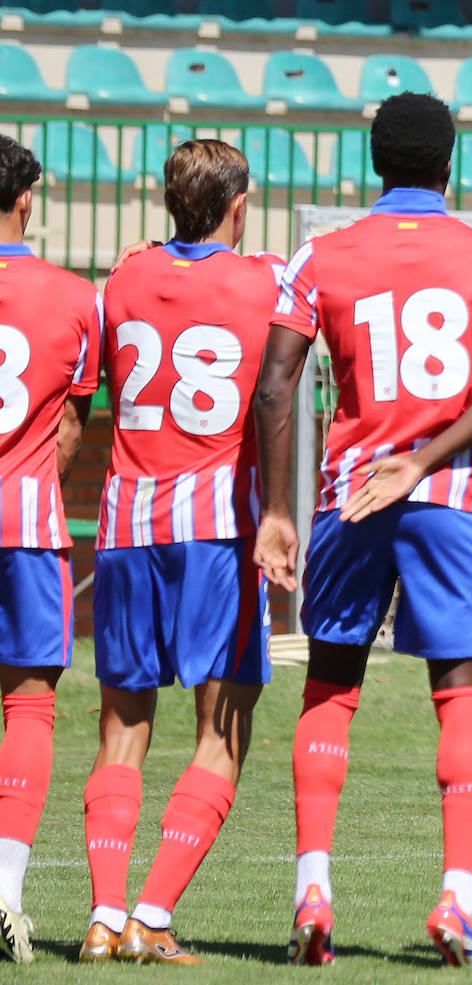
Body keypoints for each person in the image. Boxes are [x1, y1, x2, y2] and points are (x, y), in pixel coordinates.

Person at [252, 92, 472, 968]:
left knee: (331, 687)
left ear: (375, 164)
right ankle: (457, 896)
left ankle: (313, 884)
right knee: (463, 691)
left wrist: (276, 509)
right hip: (448, 499)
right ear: (450, 165)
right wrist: (423, 459)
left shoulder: (322, 255)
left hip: (350, 497)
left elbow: (273, 387)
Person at [79, 139, 283, 964]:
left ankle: (101, 914)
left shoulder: (122, 279)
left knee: (122, 731)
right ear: (239, 204)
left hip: (126, 527)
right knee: (221, 728)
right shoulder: (266, 280)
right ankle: (153, 915)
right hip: (215, 532)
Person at [0, 135, 102, 963]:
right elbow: (72, 426)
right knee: (30, 699)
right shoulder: (75, 296)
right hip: (26, 523)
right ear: (26, 200)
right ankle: (4, 891)